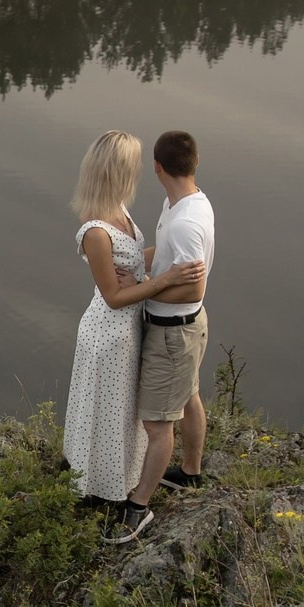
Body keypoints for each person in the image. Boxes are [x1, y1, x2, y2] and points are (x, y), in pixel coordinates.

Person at [61, 130, 205, 519]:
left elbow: (131, 261)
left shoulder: (119, 208)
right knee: (106, 410)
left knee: (121, 411)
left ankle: (115, 474)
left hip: (129, 328)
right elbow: (113, 295)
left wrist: (168, 255)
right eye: (133, 164)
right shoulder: (94, 229)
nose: (142, 170)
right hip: (108, 334)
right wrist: (163, 280)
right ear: (117, 170)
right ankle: (96, 485)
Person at [110, 129, 215, 543]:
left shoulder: (186, 222)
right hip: (187, 328)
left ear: (157, 167)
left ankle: (139, 506)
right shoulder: (188, 201)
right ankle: (190, 472)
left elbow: (194, 287)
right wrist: (141, 261)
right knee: (188, 395)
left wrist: (146, 284)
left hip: (174, 334)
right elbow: (168, 258)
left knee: (157, 425)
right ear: (194, 163)